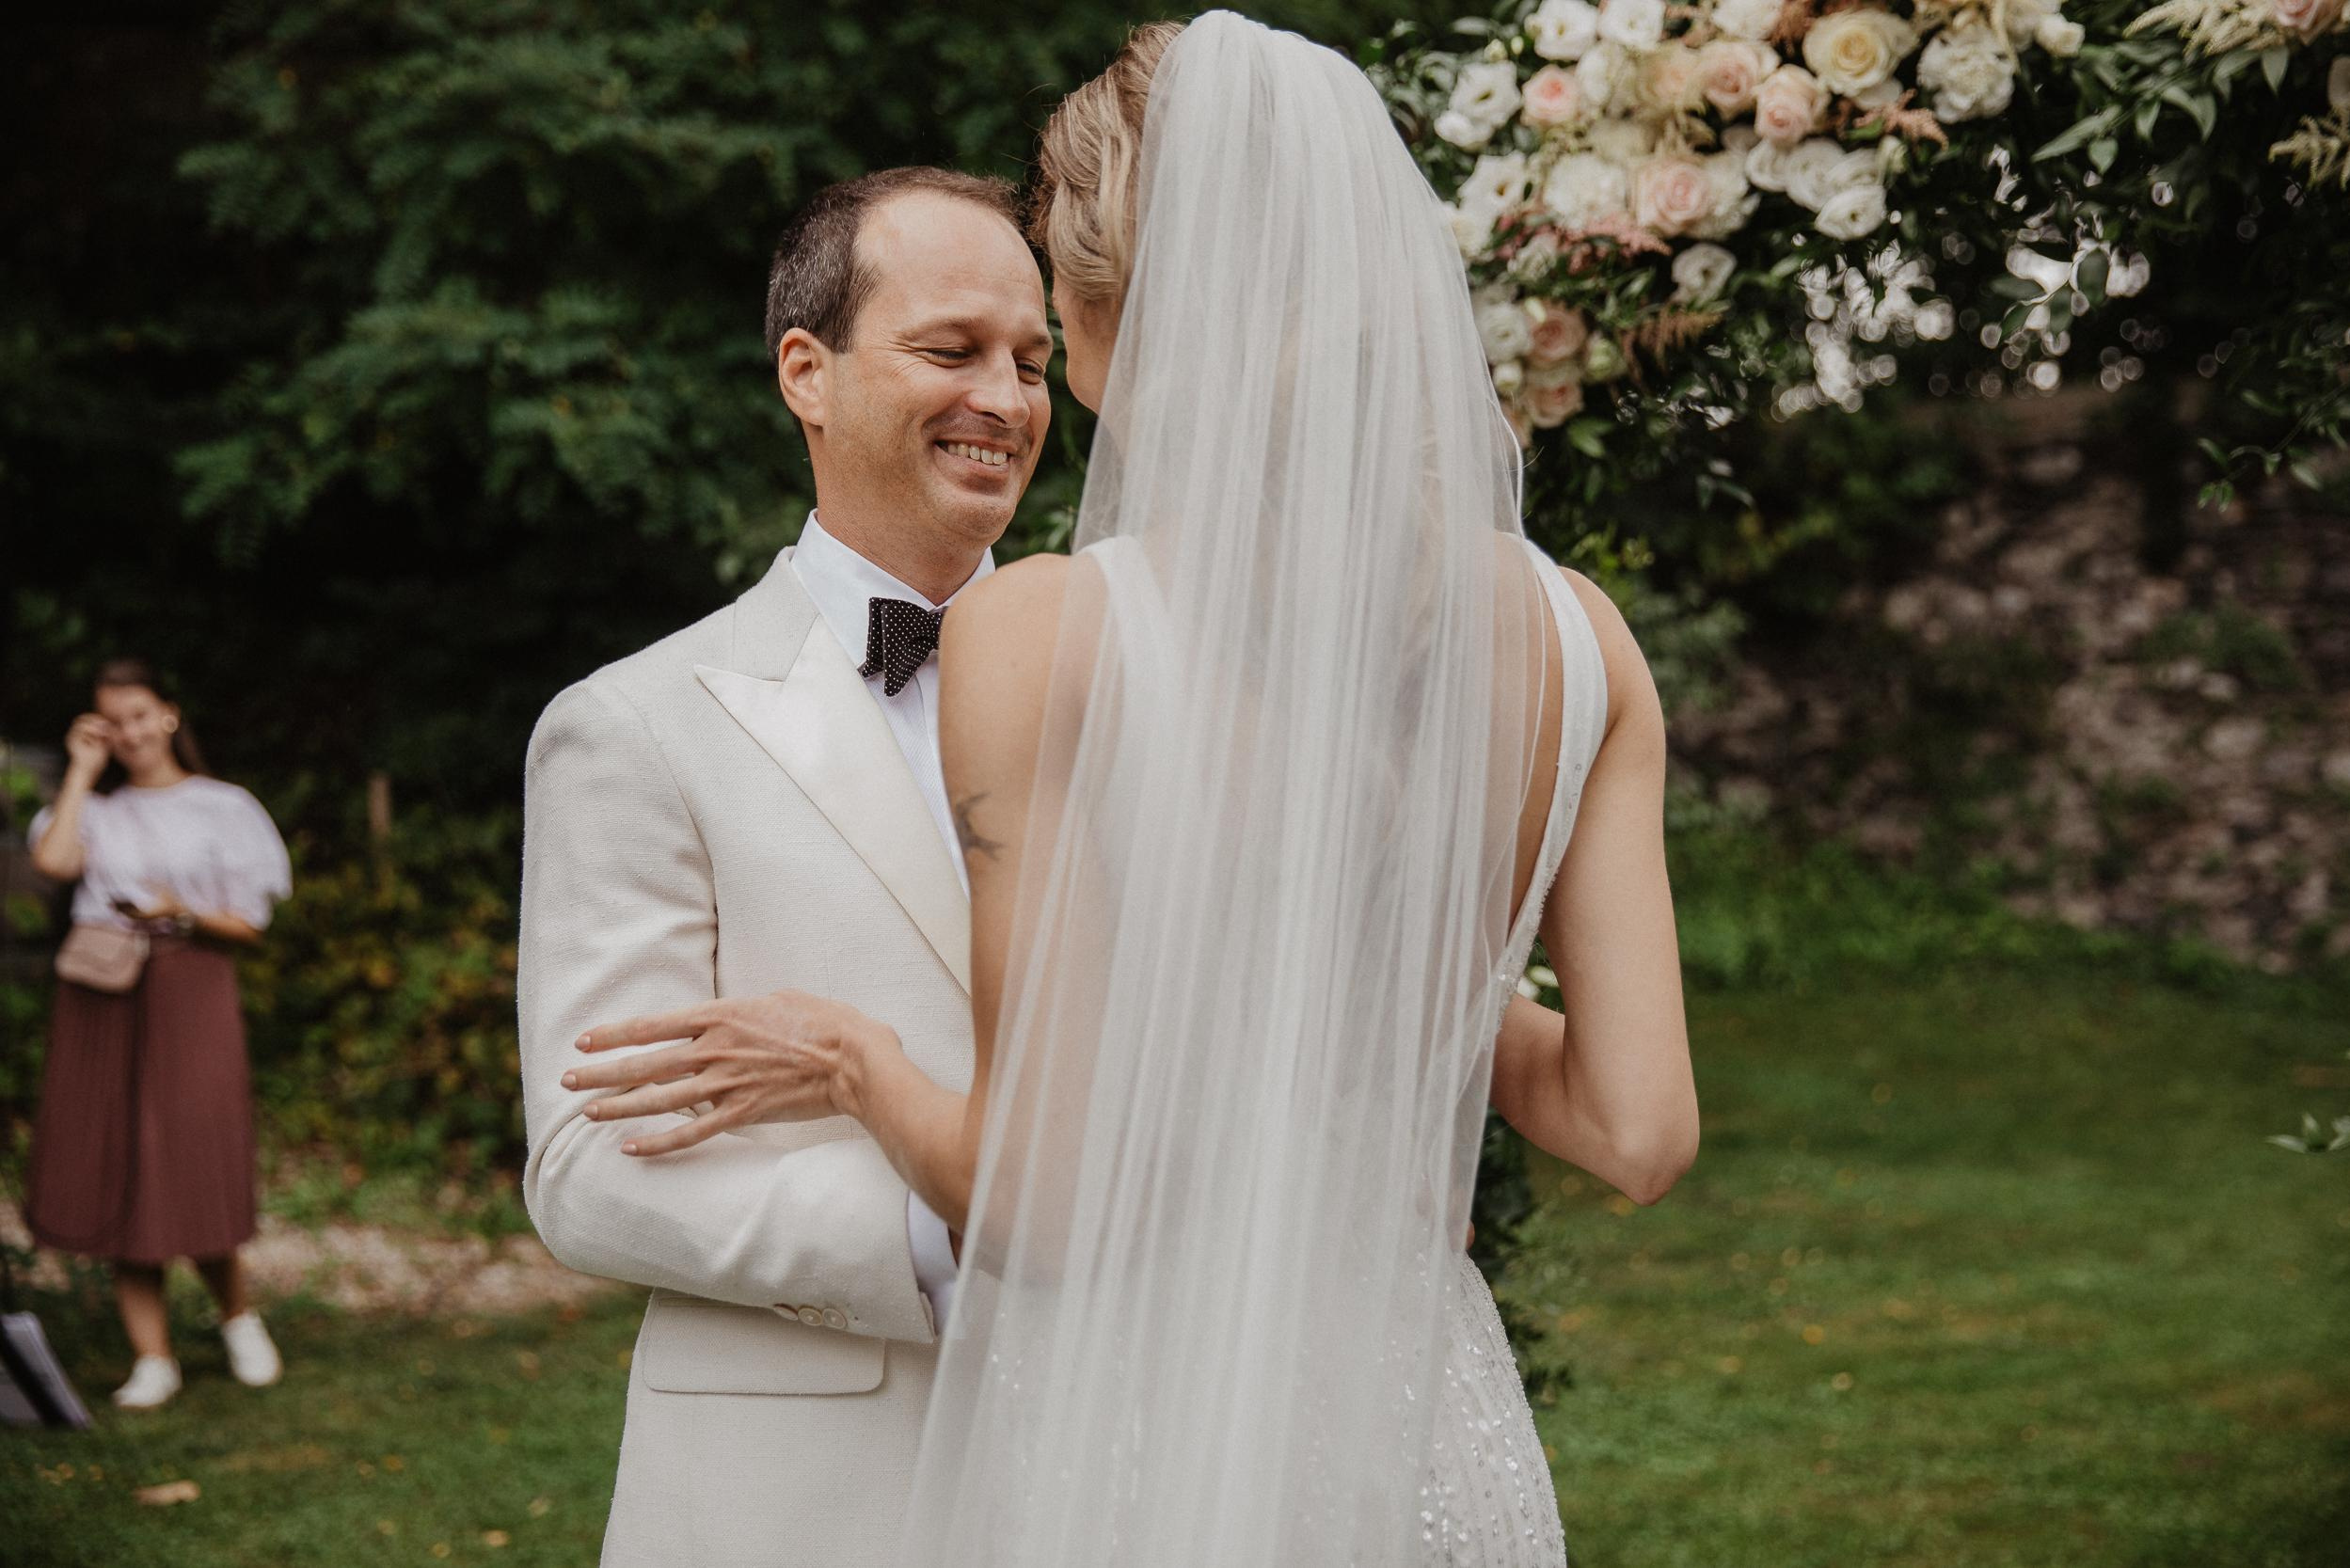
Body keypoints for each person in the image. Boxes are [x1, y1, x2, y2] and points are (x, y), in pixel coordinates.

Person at [571, 14, 1697, 1563]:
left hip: (1144, 1426)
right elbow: (1631, 1124)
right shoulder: (1587, 640)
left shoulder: (1047, 629)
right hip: (1421, 1416)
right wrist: (1372, 983)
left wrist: (854, 1063)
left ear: (1114, 301)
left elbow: (1038, 1197)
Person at [516, 166, 1055, 1565]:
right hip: (800, 1486)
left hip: (1115, 1449)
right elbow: (586, 1159)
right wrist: (947, 1242)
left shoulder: (1137, 686)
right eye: (953, 349)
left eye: (1034, 360)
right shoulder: (635, 722)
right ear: (806, 374)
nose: (1005, 396)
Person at [24, 658, 292, 1410]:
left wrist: (180, 910)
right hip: (100, 993)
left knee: (193, 1152)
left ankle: (238, 1317)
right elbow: (52, 861)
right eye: (112, 721)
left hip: (191, 985)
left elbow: (252, 924)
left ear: (168, 714)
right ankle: (153, 1358)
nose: (130, 732)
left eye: (140, 714)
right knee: (113, 1161)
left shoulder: (224, 806)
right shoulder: (97, 810)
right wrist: (81, 770)